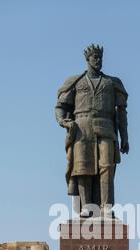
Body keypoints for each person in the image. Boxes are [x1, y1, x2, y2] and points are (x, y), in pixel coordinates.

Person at [55, 44, 129, 218]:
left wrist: (124, 137)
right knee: (82, 167)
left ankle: (106, 206)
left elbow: (121, 113)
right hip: (82, 128)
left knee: (107, 167)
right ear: (87, 60)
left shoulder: (112, 83)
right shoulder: (76, 82)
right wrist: (63, 121)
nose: (98, 60)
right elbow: (61, 106)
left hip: (106, 127)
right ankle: (87, 205)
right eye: (95, 58)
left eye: (100, 58)